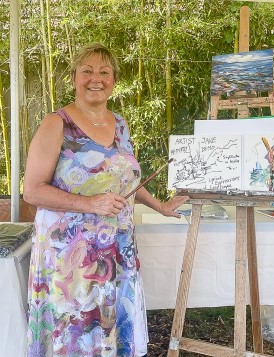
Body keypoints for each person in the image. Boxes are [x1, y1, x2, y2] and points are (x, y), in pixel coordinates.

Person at [23, 43, 189, 357]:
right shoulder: (56, 124)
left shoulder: (121, 124)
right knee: (75, 335)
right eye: (87, 71)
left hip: (117, 250)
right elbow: (31, 190)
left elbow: (127, 180)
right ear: (74, 78)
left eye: (104, 72)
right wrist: (90, 203)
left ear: (113, 80)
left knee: (110, 335)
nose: (95, 78)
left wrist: (161, 207)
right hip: (69, 261)